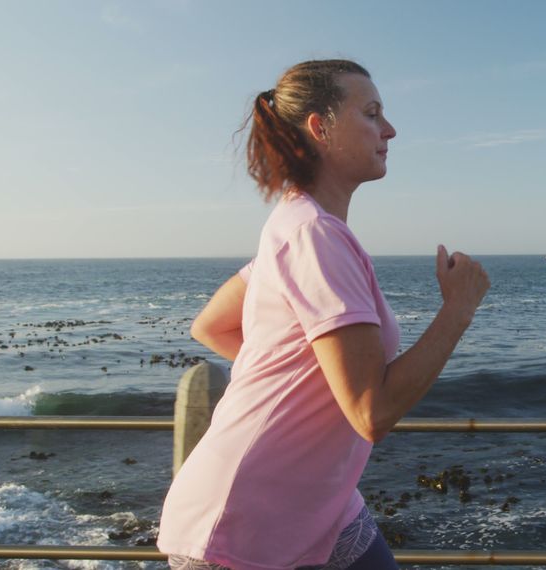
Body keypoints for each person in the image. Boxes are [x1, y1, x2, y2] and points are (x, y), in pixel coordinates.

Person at [158, 59, 490, 570]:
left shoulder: (295, 226)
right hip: (247, 518)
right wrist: (457, 310)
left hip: (317, 504)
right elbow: (371, 412)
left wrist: (309, 382)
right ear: (321, 127)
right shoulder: (314, 235)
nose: (390, 130)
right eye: (372, 113)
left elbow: (214, 325)